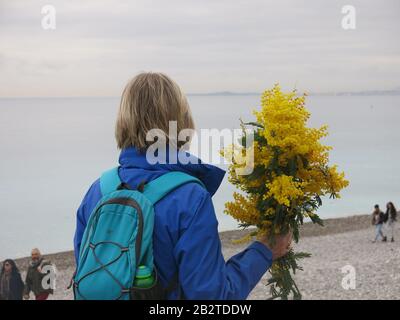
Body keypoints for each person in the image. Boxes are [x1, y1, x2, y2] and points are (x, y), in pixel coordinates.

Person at [74, 72, 292, 300]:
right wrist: (263, 251)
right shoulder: (189, 198)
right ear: (182, 122)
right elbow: (212, 299)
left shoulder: (97, 191)